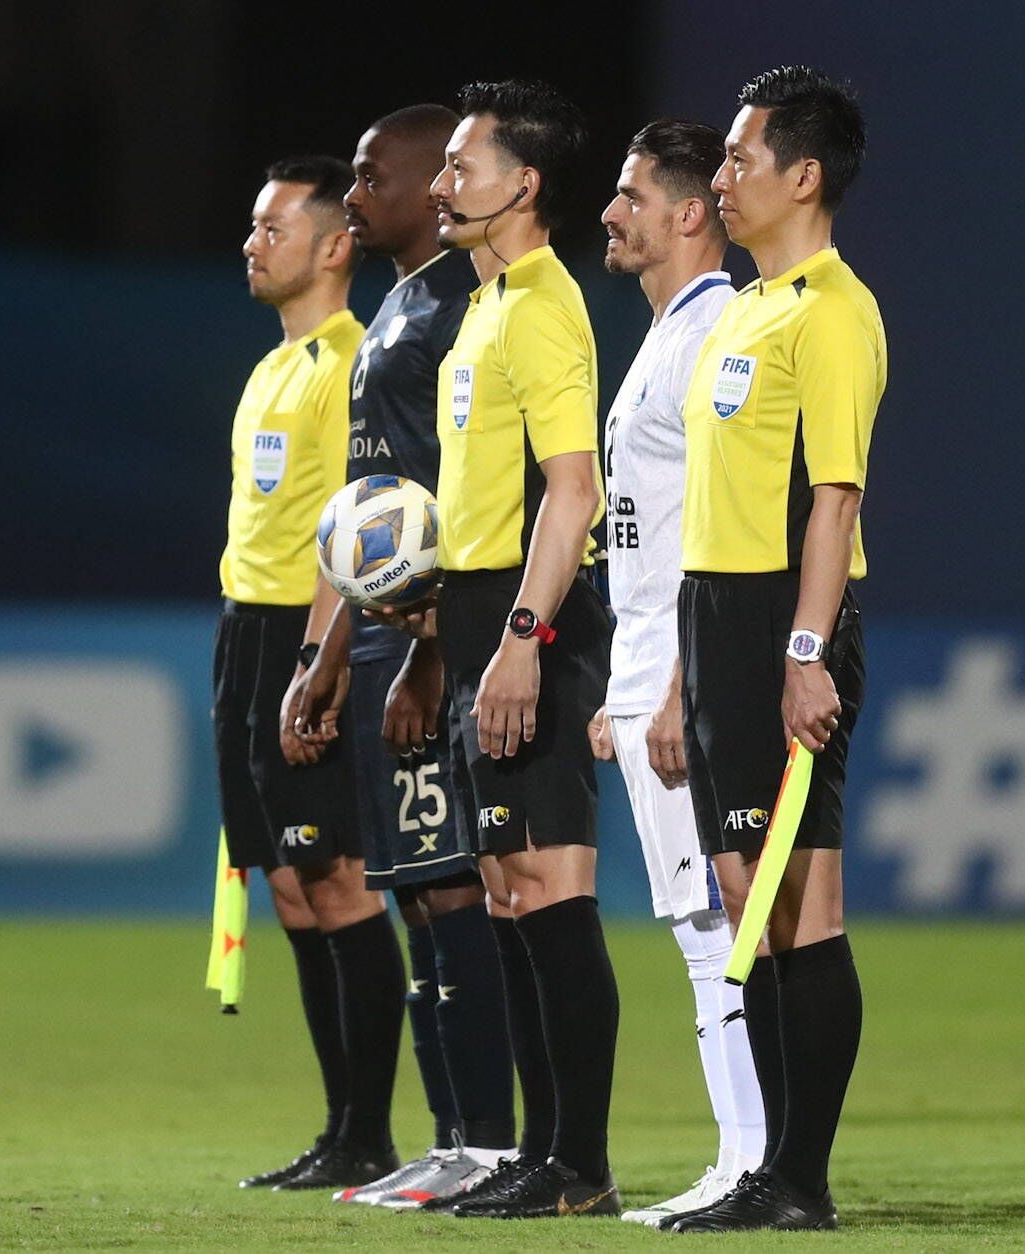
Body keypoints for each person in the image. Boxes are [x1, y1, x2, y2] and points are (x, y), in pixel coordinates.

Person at [386, 78, 621, 1220]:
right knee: (507, 888)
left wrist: (523, 639)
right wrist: (444, 625)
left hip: (535, 620)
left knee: (549, 885)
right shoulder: (478, 307)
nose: (440, 185)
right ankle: (545, 1154)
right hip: (480, 611)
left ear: (521, 186)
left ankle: (578, 1162)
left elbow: (571, 492)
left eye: (460, 167)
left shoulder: (540, 303)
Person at [283, 104, 517, 1211]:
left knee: (452, 888)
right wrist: (329, 649)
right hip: (377, 637)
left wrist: (426, 649)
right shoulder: (398, 308)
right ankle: (448, 1134)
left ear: (430, 187)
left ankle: (489, 1141)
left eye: (373, 173)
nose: (358, 189)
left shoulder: (461, 312)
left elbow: (455, 507)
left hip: (428, 641)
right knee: (416, 893)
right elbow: (370, 510)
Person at [665, 66, 884, 1233]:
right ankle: (774, 1171)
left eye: (741, 160)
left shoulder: (830, 312)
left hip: (782, 620)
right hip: (715, 615)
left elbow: (831, 500)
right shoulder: (741, 310)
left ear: (802, 175)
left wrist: (802, 653)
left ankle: (797, 1179)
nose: (722, 177)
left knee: (802, 899)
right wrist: (676, 675)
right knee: (746, 888)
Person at [583, 117, 766, 1226]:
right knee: (698, 922)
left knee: (716, 922)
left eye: (630, 194)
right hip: (650, 656)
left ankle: (749, 1164)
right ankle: (740, 1158)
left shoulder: (716, 334)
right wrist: (626, 680)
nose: (611, 212)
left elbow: (726, 525)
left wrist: (677, 688)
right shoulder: (667, 332)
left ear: (688, 210)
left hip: (687, 662)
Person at [213, 156, 403, 1193]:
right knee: (287, 886)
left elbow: (355, 529)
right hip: (245, 632)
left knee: (334, 881)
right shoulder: (269, 369)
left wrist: (315, 662)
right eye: (252, 226)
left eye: (272, 227)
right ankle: (339, 1128)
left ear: (335, 246)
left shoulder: (348, 364)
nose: (252, 243)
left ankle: (368, 1133)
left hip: (304, 637)